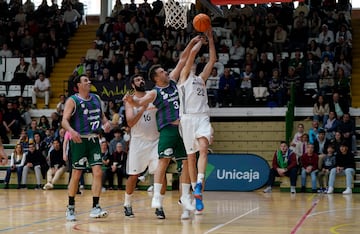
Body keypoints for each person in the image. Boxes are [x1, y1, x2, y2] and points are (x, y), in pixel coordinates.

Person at [124, 35, 201, 219]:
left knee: (170, 165)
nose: (166, 72)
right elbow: (136, 106)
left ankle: (165, 202)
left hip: (169, 133)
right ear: (156, 77)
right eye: (162, 72)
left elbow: (183, 60)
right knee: (134, 175)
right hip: (141, 140)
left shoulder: (173, 81)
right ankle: (128, 203)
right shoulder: (152, 94)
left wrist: (192, 42)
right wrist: (132, 101)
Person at [62, 74, 112, 221]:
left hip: (94, 140)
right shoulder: (73, 100)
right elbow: (64, 121)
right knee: (76, 174)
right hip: (79, 141)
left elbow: (102, 116)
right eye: (85, 80)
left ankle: (95, 207)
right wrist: (71, 131)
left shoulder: (96, 98)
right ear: (78, 85)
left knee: (97, 172)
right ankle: (70, 208)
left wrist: (106, 123)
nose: (89, 82)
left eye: (89, 80)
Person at [177, 29, 215, 215]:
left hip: (202, 118)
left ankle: (199, 183)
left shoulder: (201, 79)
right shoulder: (183, 78)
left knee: (203, 148)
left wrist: (211, 38)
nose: (191, 65)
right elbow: (191, 55)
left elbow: (212, 61)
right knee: (191, 158)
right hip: (187, 119)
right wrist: (198, 42)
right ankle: (194, 192)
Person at [123, 74, 160, 218]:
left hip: (155, 140)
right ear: (133, 85)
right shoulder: (130, 101)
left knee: (159, 173)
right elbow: (130, 122)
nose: (141, 81)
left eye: (142, 79)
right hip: (138, 142)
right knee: (133, 176)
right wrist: (143, 108)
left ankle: (159, 205)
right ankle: (127, 204)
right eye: (137, 80)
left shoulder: (152, 96)